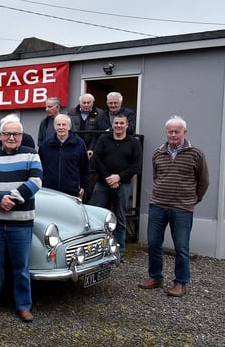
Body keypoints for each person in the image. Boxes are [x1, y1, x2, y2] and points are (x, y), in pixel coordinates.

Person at [0, 114, 42, 322]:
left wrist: (10, 200)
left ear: (21, 136)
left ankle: (23, 306)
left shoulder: (32, 155)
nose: (11, 137)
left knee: (21, 267)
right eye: (7, 134)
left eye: (15, 134)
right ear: (1, 135)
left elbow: (36, 181)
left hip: (21, 222)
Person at [138, 116, 209, 297]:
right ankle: (155, 277)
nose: (173, 134)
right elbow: (157, 178)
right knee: (153, 243)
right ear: (166, 132)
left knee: (181, 247)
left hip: (182, 209)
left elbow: (203, 181)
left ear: (184, 132)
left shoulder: (196, 153)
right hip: (158, 206)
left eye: (177, 131)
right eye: (170, 131)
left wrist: (193, 200)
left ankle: (180, 283)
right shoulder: (158, 153)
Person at [88, 113, 142, 263]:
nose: (118, 126)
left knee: (120, 218)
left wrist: (119, 177)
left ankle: (119, 253)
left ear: (126, 125)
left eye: (121, 123)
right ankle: (94, 252)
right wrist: (108, 178)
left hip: (122, 184)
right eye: (116, 123)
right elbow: (96, 161)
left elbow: (136, 166)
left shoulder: (134, 142)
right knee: (95, 216)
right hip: (102, 183)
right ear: (112, 124)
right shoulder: (103, 139)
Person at [38, 114, 90, 198]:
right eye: (58, 125)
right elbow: (39, 166)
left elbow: (85, 167)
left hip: (71, 191)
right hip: (49, 191)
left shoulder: (79, 143)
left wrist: (84, 186)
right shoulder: (45, 145)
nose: (61, 127)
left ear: (69, 127)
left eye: (64, 124)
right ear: (54, 126)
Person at [68, 93, 104, 158]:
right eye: (84, 103)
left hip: (92, 148)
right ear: (80, 103)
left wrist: (91, 149)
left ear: (92, 103)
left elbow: (98, 134)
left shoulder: (100, 113)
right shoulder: (71, 112)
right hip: (74, 146)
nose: (86, 105)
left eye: (88, 103)